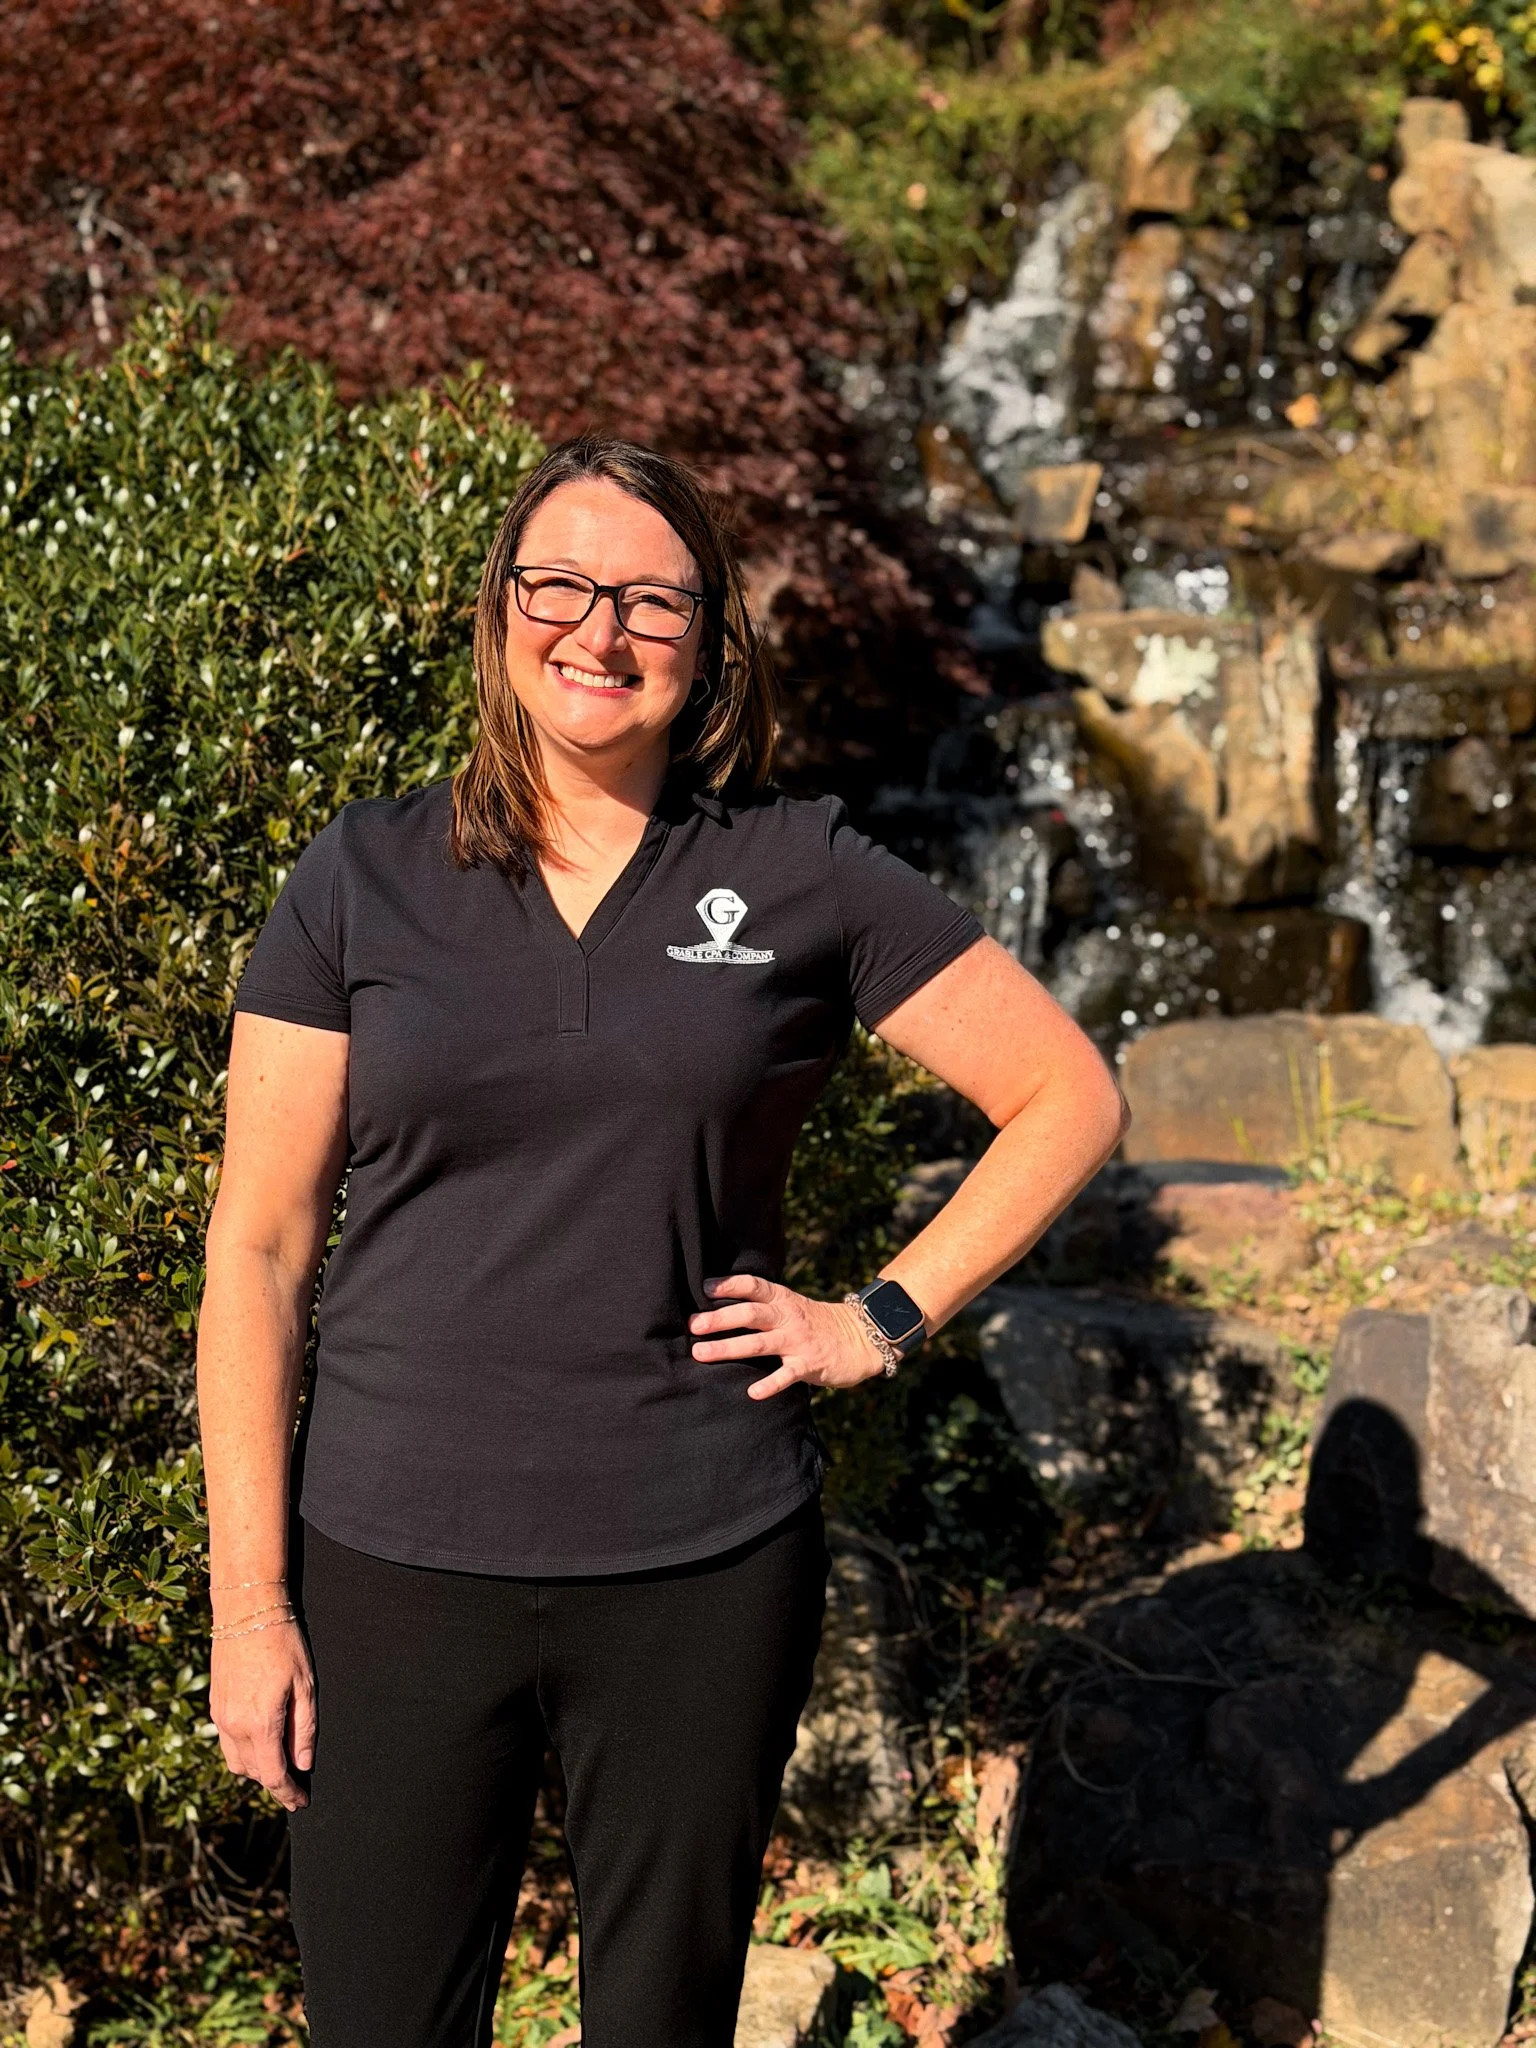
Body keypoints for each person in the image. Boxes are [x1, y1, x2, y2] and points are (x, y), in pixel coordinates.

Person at [196, 434, 1127, 2048]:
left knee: (661, 2027)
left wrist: (877, 1316)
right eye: (558, 584)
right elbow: (260, 1253)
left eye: (650, 600)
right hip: (391, 1563)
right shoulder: (364, 877)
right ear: (498, 613)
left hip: (697, 1562)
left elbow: (1067, 1094)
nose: (598, 630)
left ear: (706, 642)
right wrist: (248, 1604)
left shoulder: (796, 869)